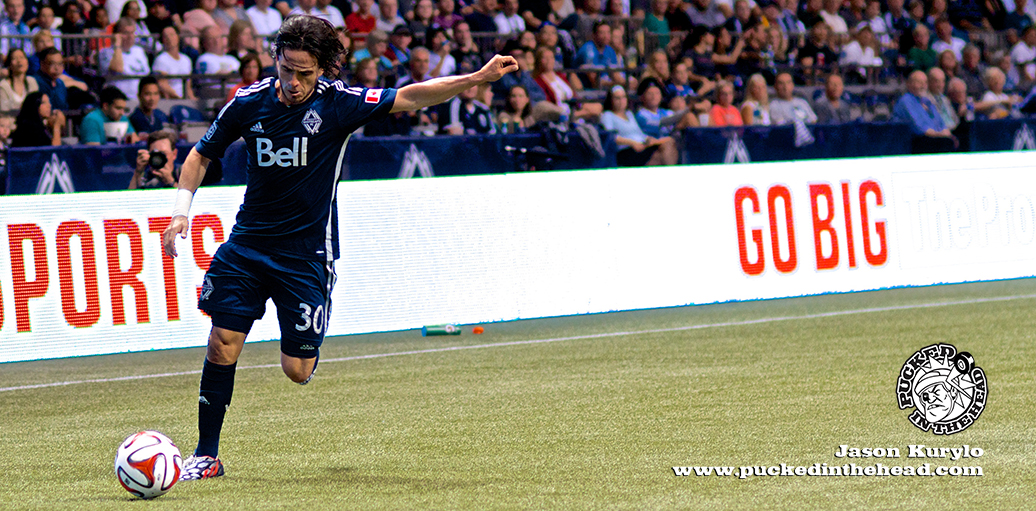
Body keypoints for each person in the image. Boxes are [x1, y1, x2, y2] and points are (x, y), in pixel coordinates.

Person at [160, 15, 518, 481]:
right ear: (276, 60)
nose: (293, 81)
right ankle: (207, 455)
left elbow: (410, 96)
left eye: (305, 73)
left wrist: (475, 78)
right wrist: (180, 210)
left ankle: (305, 339)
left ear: (324, 69)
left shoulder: (340, 104)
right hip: (247, 246)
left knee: (297, 369)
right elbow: (200, 154)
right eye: (286, 69)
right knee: (222, 343)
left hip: (307, 256)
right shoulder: (247, 103)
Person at [600, 85, 679, 166]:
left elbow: (638, 132)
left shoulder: (629, 114)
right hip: (627, 150)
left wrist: (648, 138)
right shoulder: (607, 115)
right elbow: (611, 136)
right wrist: (633, 143)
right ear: (611, 100)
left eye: (623, 97)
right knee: (663, 154)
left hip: (641, 145)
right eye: (617, 98)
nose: (621, 101)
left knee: (669, 142)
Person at [892, 69, 955, 153]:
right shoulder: (906, 101)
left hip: (933, 141)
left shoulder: (926, 101)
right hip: (914, 144)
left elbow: (941, 124)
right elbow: (921, 129)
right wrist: (942, 135)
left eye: (925, 82)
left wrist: (946, 133)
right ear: (909, 84)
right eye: (919, 82)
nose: (923, 85)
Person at [99, 17, 152, 100]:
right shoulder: (106, 52)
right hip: (118, 100)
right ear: (116, 35)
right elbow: (118, 68)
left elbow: (146, 74)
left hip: (140, 100)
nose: (130, 36)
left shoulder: (139, 51)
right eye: (126, 33)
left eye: (132, 33)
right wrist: (117, 45)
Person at [153, 26, 197, 99]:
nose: (169, 38)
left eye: (172, 35)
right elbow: (162, 84)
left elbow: (188, 86)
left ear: (177, 37)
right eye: (165, 36)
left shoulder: (186, 60)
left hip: (185, 99)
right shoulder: (161, 59)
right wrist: (177, 97)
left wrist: (192, 99)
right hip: (171, 99)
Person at [0, 48, 38, 112]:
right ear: (9, 65)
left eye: (22, 57)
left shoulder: (32, 81)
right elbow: (3, 112)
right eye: (14, 58)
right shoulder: (3, 86)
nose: (19, 61)